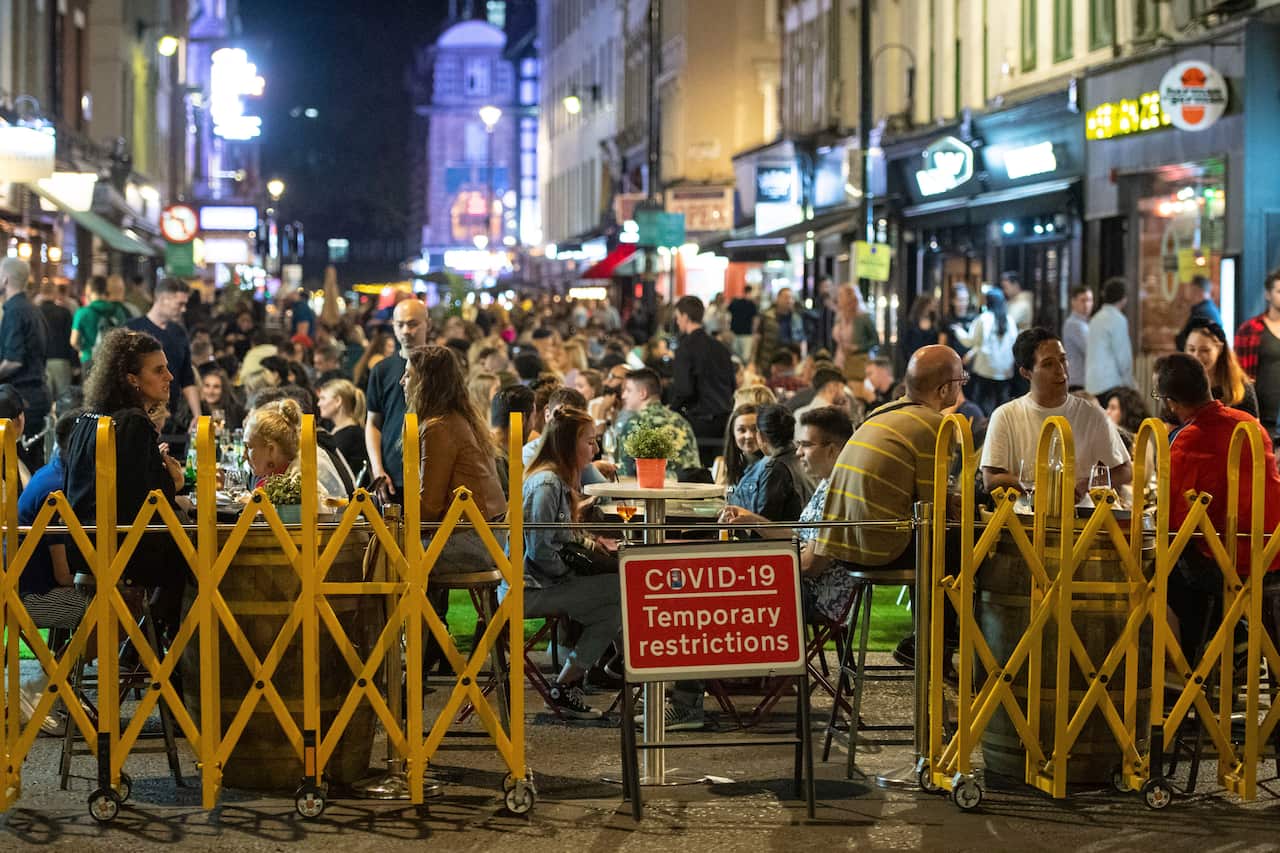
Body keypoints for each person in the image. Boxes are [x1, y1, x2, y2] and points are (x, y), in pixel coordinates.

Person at [1155, 352, 1280, 655]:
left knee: (1161, 569)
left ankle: (1198, 660)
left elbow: (1173, 522)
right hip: (1271, 551)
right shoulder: (1250, 424)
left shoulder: (1186, 439)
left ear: (1170, 402)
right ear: (1207, 385)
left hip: (1228, 562)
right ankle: (1230, 640)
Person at [63, 329, 187, 631]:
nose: (169, 376)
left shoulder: (86, 418)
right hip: (120, 548)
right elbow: (147, 502)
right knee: (198, 554)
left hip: (81, 545)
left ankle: (142, 646)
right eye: (158, 370)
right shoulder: (132, 421)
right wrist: (176, 482)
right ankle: (162, 654)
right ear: (132, 378)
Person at [519, 407, 621, 719]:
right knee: (622, 588)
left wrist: (591, 545)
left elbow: (560, 537)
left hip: (540, 583)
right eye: (590, 442)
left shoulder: (554, 480)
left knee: (615, 606)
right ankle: (630, 665)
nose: (596, 449)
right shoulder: (548, 484)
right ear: (567, 444)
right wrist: (568, 573)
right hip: (530, 589)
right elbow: (540, 549)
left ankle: (568, 684)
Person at [721, 406, 857, 622]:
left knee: (727, 588)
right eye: (798, 444)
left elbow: (810, 565)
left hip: (816, 599)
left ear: (832, 450)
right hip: (802, 588)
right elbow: (800, 537)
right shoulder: (827, 483)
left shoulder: (840, 493)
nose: (798, 452)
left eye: (806, 445)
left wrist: (758, 567)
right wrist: (753, 520)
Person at [982, 328, 1131, 500]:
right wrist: (1040, 489)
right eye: (1048, 364)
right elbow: (991, 478)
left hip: (1082, 517)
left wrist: (1088, 483)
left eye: (1063, 360)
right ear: (1026, 372)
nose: (1060, 370)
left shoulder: (1091, 414)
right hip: (1025, 517)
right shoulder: (1005, 415)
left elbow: (1125, 471)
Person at [403, 345, 506, 569]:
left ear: (425, 382)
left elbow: (429, 508)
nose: (402, 382)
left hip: (473, 540)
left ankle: (413, 606)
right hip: (491, 534)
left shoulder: (437, 427)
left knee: (390, 555)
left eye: (408, 375)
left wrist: (397, 521)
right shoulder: (462, 417)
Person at [366, 299, 429, 504]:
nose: (406, 331)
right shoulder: (382, 370)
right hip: (393, 477)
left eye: (412, 324)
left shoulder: (439, 367)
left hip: (430, 473)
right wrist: (378, 470)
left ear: (427, 324)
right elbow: (373, 423)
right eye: (400, 324)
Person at [125, 277, 201, 432]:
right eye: (180, 304)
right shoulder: (133, 329)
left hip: (172, 415)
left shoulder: (179, 332)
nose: (183, 309)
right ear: (164, 299)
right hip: (139, 414)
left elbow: (187, 377)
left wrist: (197, 414)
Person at [669, 295, 735, 467]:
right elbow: (732, 383)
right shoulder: (720, 347)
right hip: (724, 421)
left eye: (677, 317)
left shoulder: (685, 348)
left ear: (684, 316)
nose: (677, 322)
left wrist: (671, 410)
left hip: (699, 423)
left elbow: (685, 390)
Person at [0, 258, 49, 468]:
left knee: (19, 465)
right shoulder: (33, 309)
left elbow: (13, 361)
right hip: (38, 394)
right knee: (33, 462)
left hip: (22, 398)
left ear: (5, 280)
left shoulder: (14, 311)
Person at [728, 404, 814, 522]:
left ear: (761, 436)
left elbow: (764, 527)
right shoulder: (801, 459)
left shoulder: (775, 470)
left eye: (755, 429)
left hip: (787, 539)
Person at [613, 368, 702, 477]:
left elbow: (625, 474)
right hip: (690, 490)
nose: (623, 396)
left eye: (628, 390)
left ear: (642, 393)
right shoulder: (681, 421)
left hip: (654, 491)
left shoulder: (635, 423)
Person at [1234, 268, 1280, 437]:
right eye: (1279, 291)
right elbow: (1239, 375)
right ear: (1268, 294)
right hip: (1262, 416)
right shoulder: (1250, 330)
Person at [1183, 319, 1259, 419]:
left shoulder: (1241, 385)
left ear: (1220, 349)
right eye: (1191, 349)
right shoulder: (1179, 383)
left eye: (1205, 350)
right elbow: (1169, 425)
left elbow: (1254, 428)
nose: (1196, 356)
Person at [960, 287, 1018, 416]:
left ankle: (982, 430)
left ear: (988, 301)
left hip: (986, 368)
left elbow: (971, 341)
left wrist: (957, 330)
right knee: (1002, 404)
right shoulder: (1009, 320)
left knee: (981, 402)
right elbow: (1014, 342)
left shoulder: (983, 318)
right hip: (1005, 370)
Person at [1085, 277, 1135, 395]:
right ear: (1123, 298)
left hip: (1092, 384)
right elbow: (1123, 358)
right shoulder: (1118, 319)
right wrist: (1130, 384)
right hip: (1111, 384)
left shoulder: (1095, 319)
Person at [70, 274, 129, 367]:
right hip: (112, 360)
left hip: (90, 358)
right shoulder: (117, 310)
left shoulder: (82, 312)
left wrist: (82, 350)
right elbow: (124, 335)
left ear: (88, 290)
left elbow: (74, 341)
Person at [317, 379, 368, 482]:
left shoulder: (351, 435)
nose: (319, 404)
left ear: (338, 401)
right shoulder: (340, 431)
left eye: (323, 398)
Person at [492, 384, 536, 497]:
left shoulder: (489, 450)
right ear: (522, 419)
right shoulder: (498, 462)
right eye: (533, 417)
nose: (534, 425)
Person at [831, 284, 880, 382]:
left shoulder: (864, 317)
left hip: (858, 362)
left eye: (841, 295)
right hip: (841, 360)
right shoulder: (839, 316)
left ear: (850, 298)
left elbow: (875, 341)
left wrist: (858, 347)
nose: (838, 298)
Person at [37, 281, 76, 401]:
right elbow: (70, 339)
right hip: (61, 360)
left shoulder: (34, 312)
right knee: (64, 400)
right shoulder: (64, 312)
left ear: (41, 293)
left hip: (40, 362)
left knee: (45, 399)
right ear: (55, 293)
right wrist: (75, 363)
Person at [754, 287, 806, 372]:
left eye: (791, 298)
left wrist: (802, 359)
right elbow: (757, 339)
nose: (789, 300)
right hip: (768, 361)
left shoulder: (797, 319)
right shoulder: (767, 316)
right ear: (778, 299)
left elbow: (802, 340)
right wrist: (753, 362)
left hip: (789, 363)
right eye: (786, 297)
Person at [1175, 274, 1223, 352]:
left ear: (1197, 290)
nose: (1189, 295)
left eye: (1190, 290)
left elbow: (1188, 341)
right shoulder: (1209, 309)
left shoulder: (1203, 313)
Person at [716, 403, 761, 488]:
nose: (749, 436)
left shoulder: (772, 467)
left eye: (755, 429)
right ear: (732, 433)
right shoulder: (728, 465)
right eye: (742, 430)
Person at [1062, 285, 1093, 390]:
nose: (1087, 304)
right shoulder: (1074, 324)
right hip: (1078, 381)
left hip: (1083, 380)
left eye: (1089, 300)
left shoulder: (1086, 323)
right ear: (1073, 302)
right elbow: (1089, 349)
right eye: (1083, 300)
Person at [943, 284, 976, 364]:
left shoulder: (974, 318)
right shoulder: (947, 319)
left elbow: (979, 343)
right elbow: (942, 343)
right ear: (952, 300)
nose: (963, 303)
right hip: (952, 362)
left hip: (971, 363)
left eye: (966, 299)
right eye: (960, 300)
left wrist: (970, 355)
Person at [903, 293, 943, 357]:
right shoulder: (911, 322)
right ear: (922, 305)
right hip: (914, 358)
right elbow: (905, 345)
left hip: (931, 358)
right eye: (929, 304)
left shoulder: (936, 322)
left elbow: (939, 343)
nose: (931, 307)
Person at [727, 285, 759, 362]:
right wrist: (754, 332)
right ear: (750, 292)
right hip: (747, 334)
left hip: (735, 332)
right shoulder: (752, 305)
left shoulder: (735, 302)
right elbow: (755, 320)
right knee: (745, 357)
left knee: (735, 357)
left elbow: (727, 316)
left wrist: (728, 329)